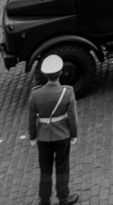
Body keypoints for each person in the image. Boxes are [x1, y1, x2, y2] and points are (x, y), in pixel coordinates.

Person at [27, 55, 79, 205]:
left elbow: (31, 118)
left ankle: (44, 200)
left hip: (43, 137)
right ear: (60, 73)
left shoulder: (35, 94)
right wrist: (74, 134)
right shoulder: (67, 92)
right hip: (62, 135)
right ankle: (64, 198)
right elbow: (72, 117)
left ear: (45, 74)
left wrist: (33, 136)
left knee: (45, 170)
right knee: (62, 168)